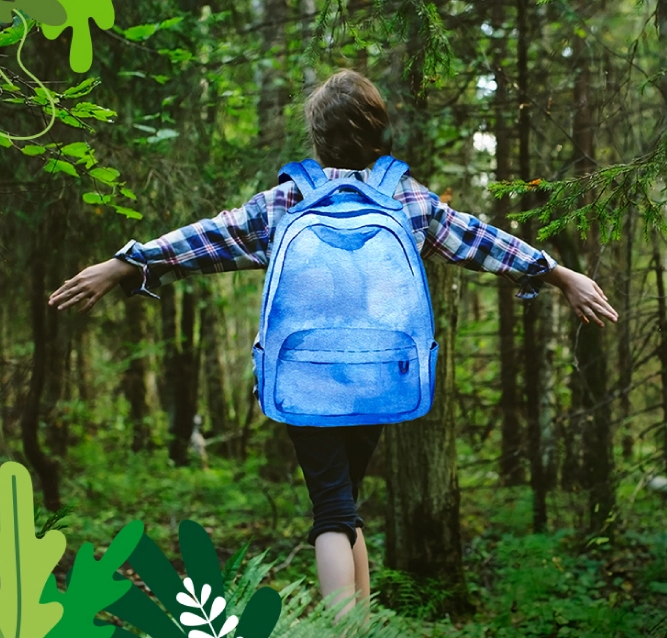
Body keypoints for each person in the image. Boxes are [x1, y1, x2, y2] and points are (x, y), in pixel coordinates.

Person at [48, 69, 618, 622]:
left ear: (317, 136)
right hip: (380, 375)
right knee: (346, 506)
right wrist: (558, 274)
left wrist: (125, 263)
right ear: (376, 132)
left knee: (331, 510)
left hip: (304, 376)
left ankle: (340, 628)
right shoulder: (410, 200)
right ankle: (362, 625)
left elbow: (206, 238)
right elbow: (478, 239)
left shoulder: (287, 201)